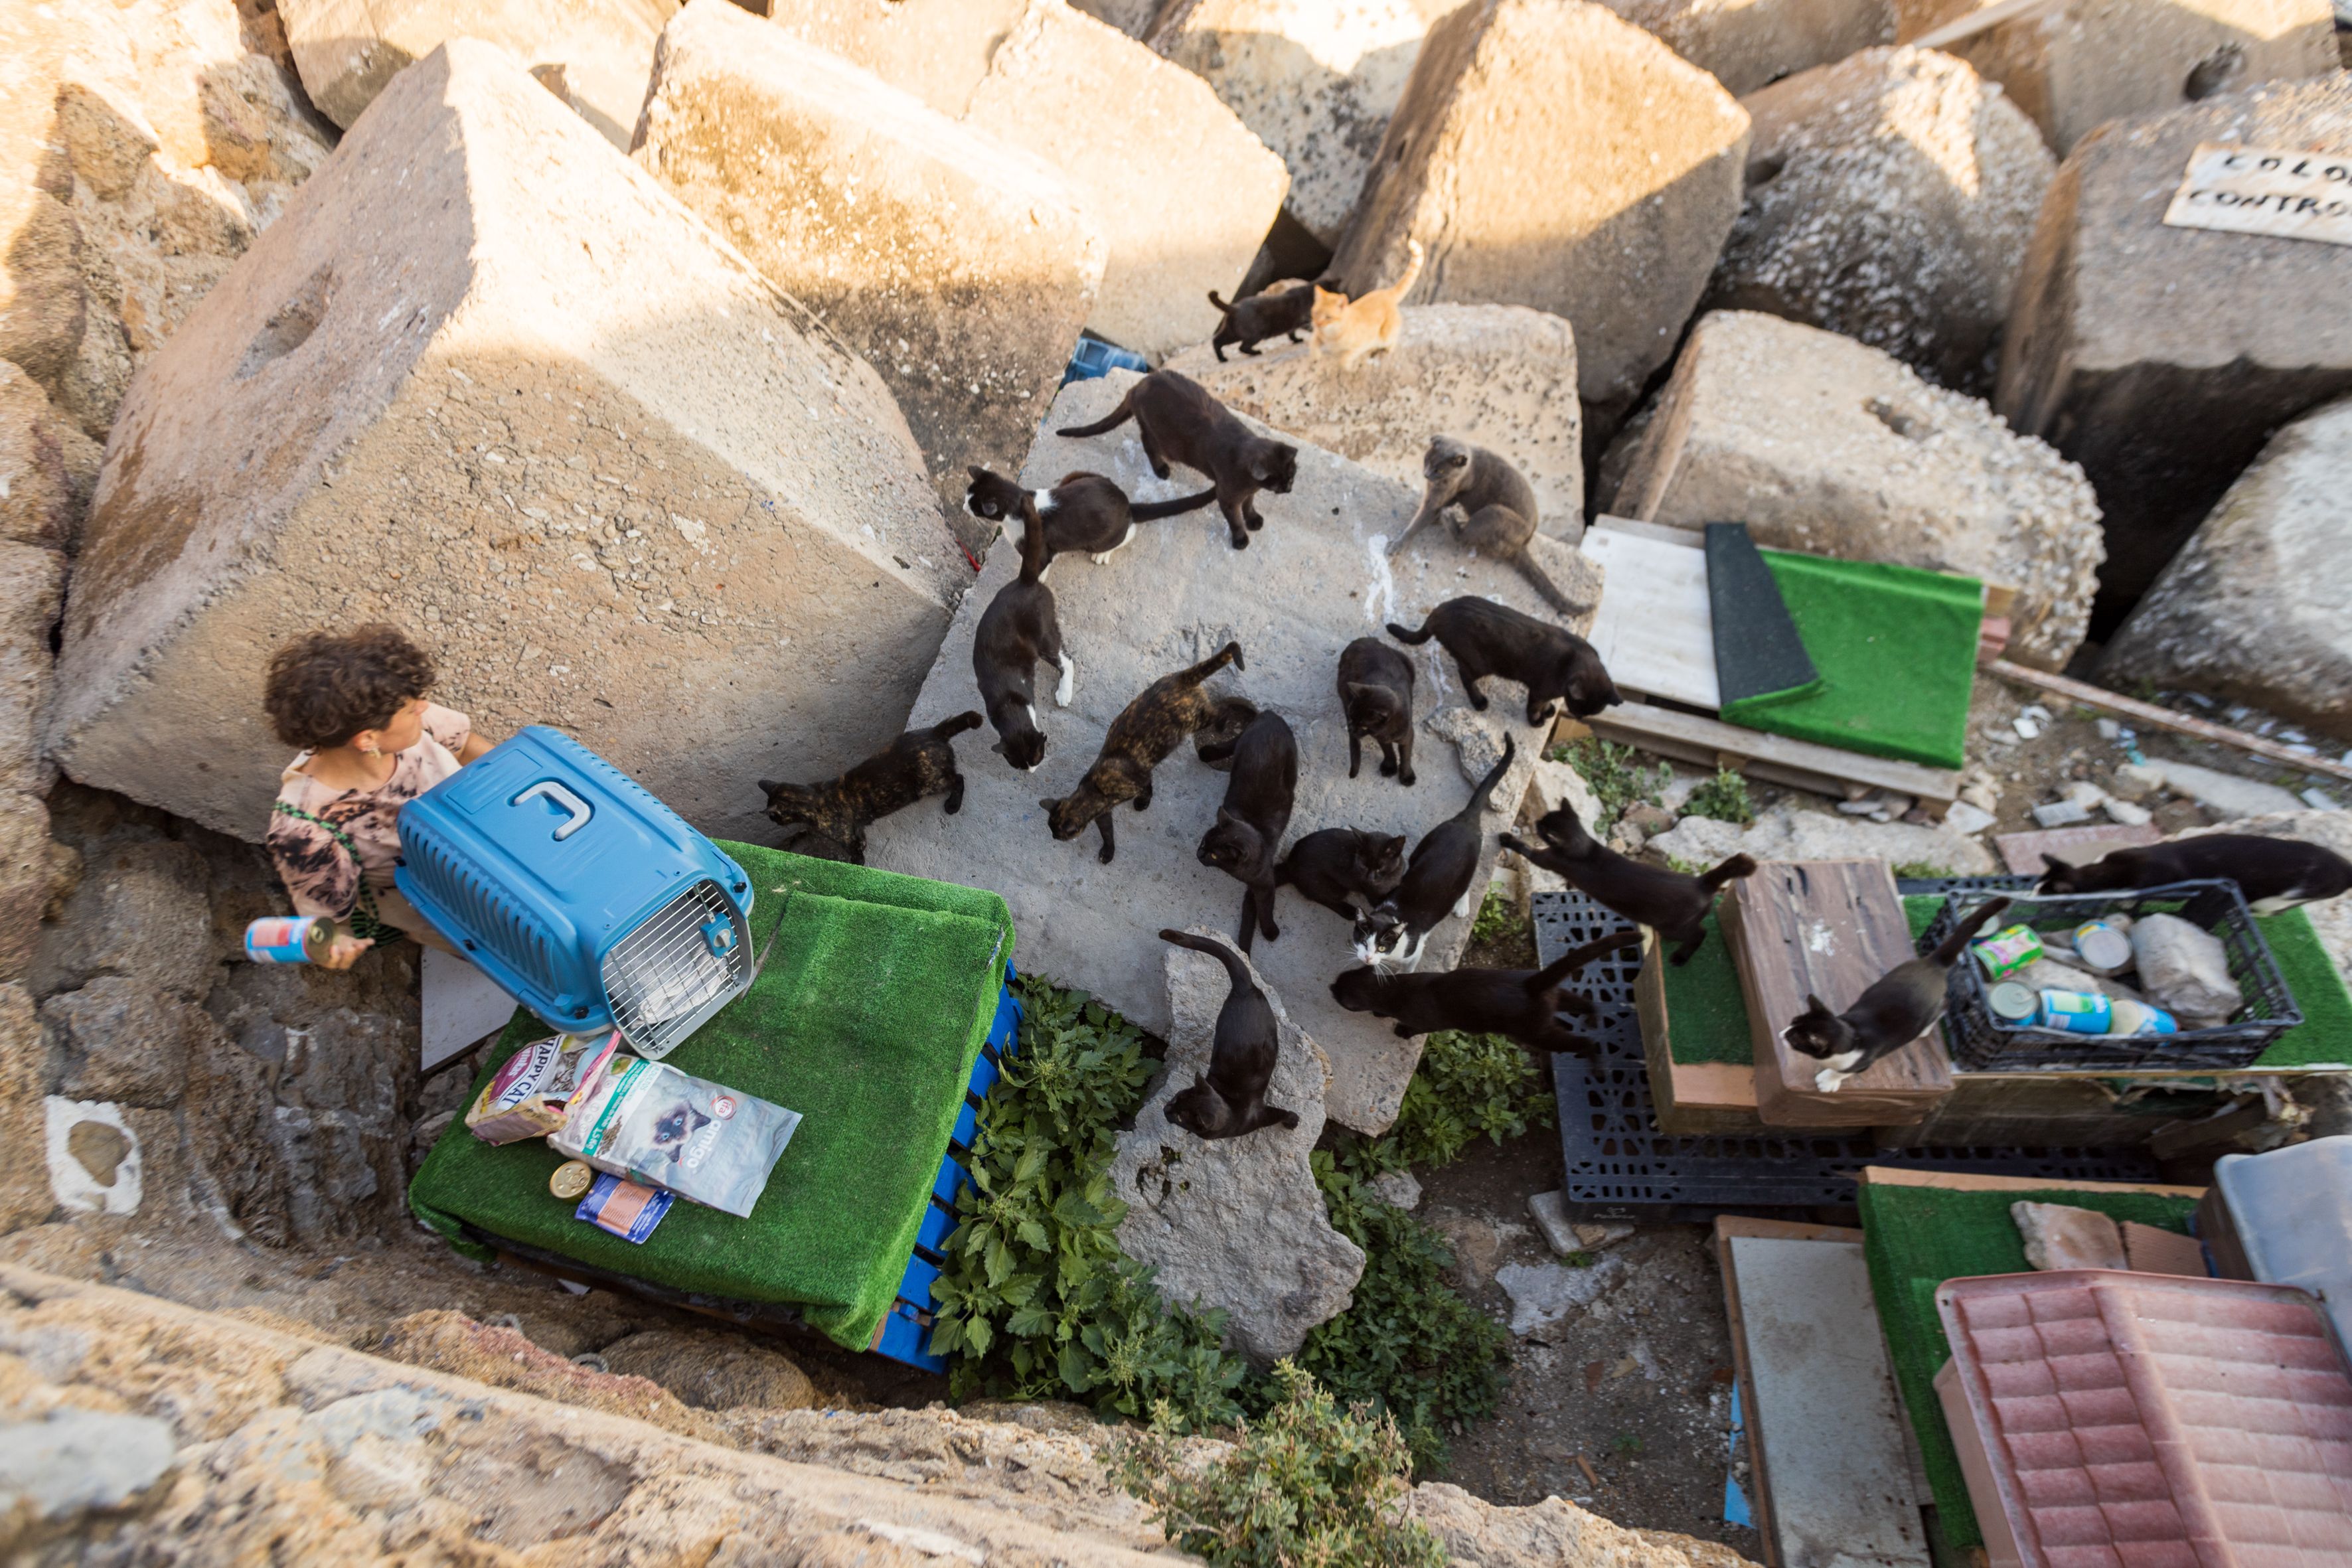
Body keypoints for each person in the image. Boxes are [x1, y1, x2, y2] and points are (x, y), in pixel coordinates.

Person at [263, 625, 495, 970]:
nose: (424, 706)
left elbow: (467, 747)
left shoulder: (412, 722)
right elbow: (325, 928)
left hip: (497, 858)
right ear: (367, 739)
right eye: (410, 709)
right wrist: (334, 948)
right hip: (451, 913)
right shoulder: (305, 831)